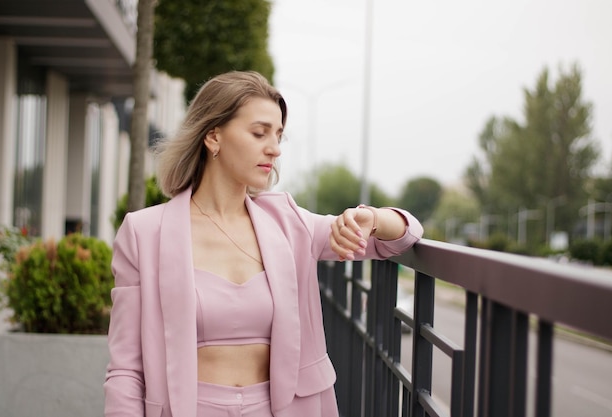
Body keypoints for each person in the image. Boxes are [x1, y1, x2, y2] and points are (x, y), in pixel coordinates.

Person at [104, 70, 423, 417]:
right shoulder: (144, 233)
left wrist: (372, 219)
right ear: (213, 136)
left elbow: (402, 238)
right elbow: (126, 368)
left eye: (278, 135)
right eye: (259, 133)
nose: (274, 148)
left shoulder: (288, 223)